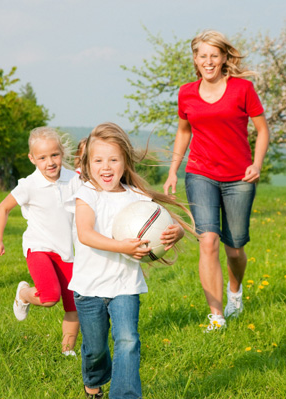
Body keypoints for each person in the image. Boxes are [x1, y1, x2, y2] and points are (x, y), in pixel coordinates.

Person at [67, 122, 195, 399]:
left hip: (125, 285)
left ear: (125, 161)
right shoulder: (86, 193)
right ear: (88, 164)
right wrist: (122, 247)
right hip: (89, 288)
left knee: (128, 341)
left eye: (113, 159)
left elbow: (169, 223)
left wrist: (178, 232)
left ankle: (125, 395)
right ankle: (94, 381)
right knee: (95, 348)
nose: (106, 166)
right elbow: (86, 234)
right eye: (98, 160)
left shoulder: (137, 197)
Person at [163, 30, 270, 331]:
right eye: (202, 56)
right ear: (195, 60)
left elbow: (262, 130)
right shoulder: (186, 92)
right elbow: (184, 131)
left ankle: (235, 291)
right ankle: (217, 316)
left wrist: (256, 164)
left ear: (224, 58)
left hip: (239, 177)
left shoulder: (242, 89)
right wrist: (174, 170)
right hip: (200, 173)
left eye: (214, 55)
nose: (208, 61)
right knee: (208, 240)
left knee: (234, 248)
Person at [0, 127, 82, 356]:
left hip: (66, 251)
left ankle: (67, 351)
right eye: (42, 158)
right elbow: (3, 208)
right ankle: (23, 294)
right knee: (50, 297)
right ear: (32, 159)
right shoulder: (29, 185)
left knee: (74, 306)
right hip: (38, 247)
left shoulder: (74, 180)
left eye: (54, 155)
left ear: (61, 153)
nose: (50, 162)